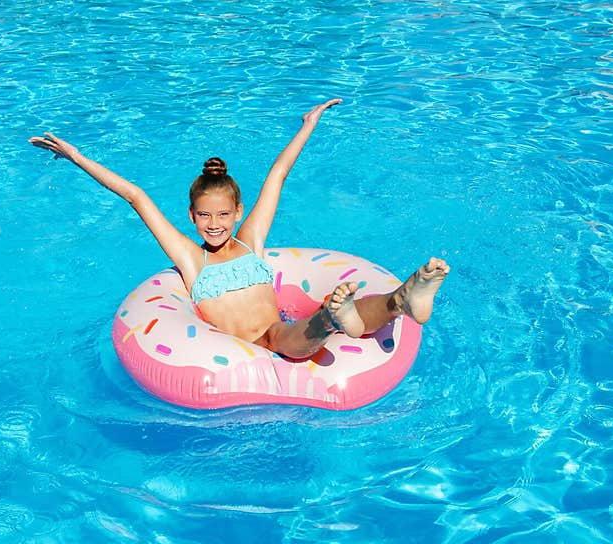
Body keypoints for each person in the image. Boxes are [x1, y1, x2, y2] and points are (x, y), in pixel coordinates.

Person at [30, 99, 449, 359]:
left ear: (237, 213)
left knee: (309, 323)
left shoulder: (251, 243)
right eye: (205, 217)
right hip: (260, 345)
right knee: (298, 329)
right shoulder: (190, 259)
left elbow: (278, 174)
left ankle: (403, 298)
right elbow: (136, 196)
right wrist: (77, 157)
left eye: (223, 215)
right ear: (191, 218)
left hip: (281, 331)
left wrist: (307, 125)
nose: (214, 225)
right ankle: (333, 318)